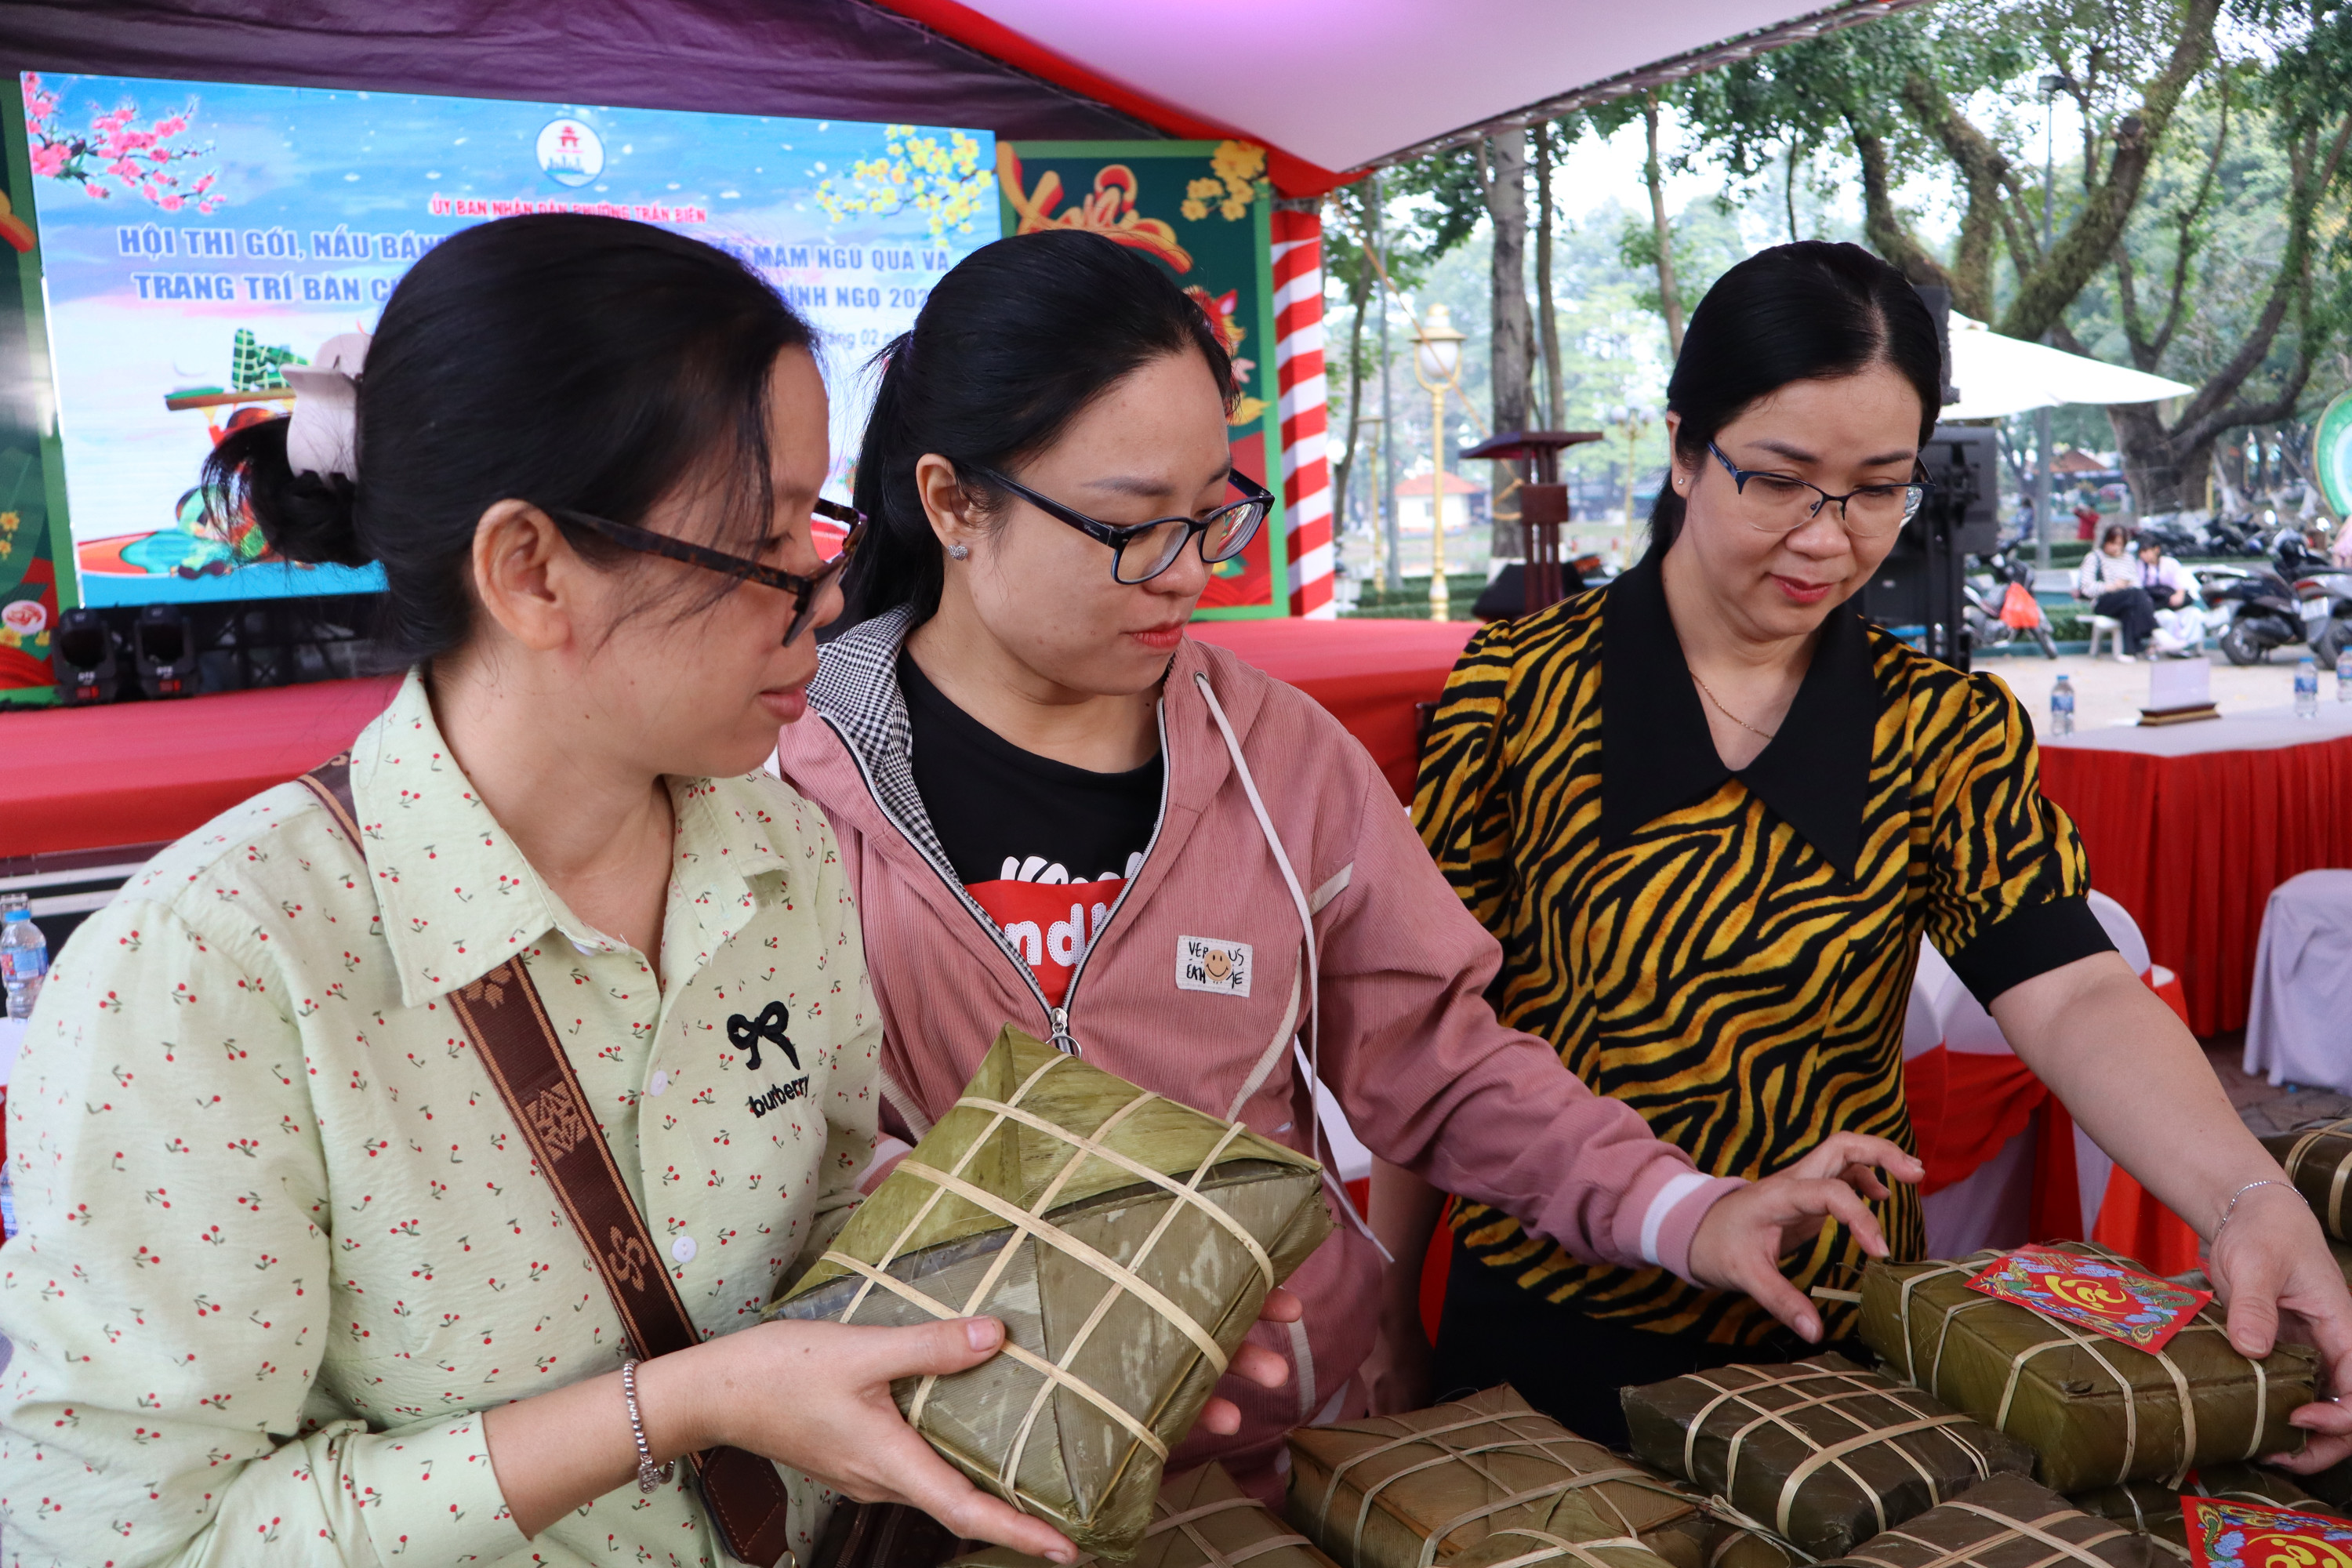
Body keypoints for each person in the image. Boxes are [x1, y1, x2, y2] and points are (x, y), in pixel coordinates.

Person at [0, 215, 1294, 1567]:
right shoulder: (215, 970)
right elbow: (135, 1539)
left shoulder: (773, 851)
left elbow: (828, 1221)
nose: (829, 586)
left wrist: (1071, 1300)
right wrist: (679, 1405)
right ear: (534, 571)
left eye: (822, 521)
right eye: (768, 537)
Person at [770, 229, 1921, 1491]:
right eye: (1130, 527)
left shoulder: (1277, 760)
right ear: (952, 503)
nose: (1193, 572)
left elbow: (1435, 1055)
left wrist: (1683, 1209)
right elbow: (767, 1145)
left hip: (1271, 1463)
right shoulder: (785, 771)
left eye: (1213, 511)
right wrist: (1044, 1290)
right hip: (929, 1481)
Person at [1407, 240, 2352, 1457]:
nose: (1827, 537)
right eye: (1783, 479)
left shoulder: (1941, 727)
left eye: (1876, 488)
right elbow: (1426, 1032)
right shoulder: (1515, 696)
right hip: (1546, 1332)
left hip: (1837, 1346)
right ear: (1687, 450)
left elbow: (2068, 991)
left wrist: (2252, 1201)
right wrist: (1383, 1313)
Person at [2078, 521, 2158, 659]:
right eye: (2113, 543)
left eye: (2120, 544)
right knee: (2134, 596)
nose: (2116, 548)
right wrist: (2112, 586)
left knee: (2132, 606)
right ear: (2106, 541)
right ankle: (2156, 631)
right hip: (2104, 601)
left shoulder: (2128, 558)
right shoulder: (2094, 558)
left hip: (2128, 600)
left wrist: (2126, 586)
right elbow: (2086, 588)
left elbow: (2137, 585)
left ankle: (2129, 652)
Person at [2136, 535, 2205, 657]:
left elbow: (2181, 584)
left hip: (2173, 603)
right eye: (2141, 552)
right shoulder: (2139, 566)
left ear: (2156, 549)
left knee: (2194, 614)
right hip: (2155, 607)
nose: (2144, 555)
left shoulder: (2170, 563)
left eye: (2146, 551)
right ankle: (2164, 648)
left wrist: (2179, 595)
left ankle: (2184, 645)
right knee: (2168, 617)